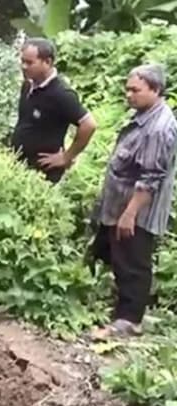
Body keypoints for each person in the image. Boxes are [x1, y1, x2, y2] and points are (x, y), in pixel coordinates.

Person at [89, 64, 176, 340]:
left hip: (137, 210)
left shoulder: (158, 129)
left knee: (133, 263)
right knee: (115, 254)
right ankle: (118, 308)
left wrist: (130, 214)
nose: (129, 94)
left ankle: (129, 321)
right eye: (127, 89)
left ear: (155, 90)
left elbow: (151, 177)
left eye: (135, 90)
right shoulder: (145, 117)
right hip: (120, 204)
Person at [10, 38, 97, 183]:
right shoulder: (28, 85)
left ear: (48, 62)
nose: (24, 67)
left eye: (30, 63)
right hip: (19, 165)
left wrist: (67, 156)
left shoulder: (61, 94)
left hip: (42, 172)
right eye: (22, 61)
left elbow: (89, 125)